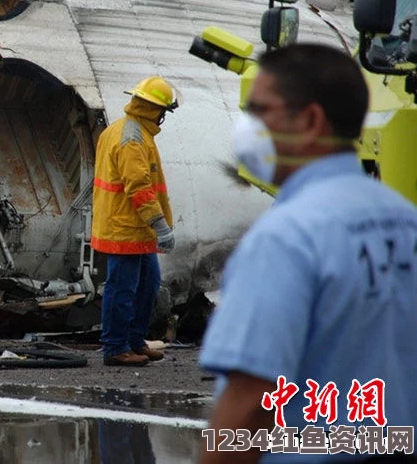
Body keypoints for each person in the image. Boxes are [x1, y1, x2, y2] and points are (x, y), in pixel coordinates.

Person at [199, 44, 417, 463]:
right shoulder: (404, 220)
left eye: (260, 110)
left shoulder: (286, 238)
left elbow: (249, 402)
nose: (248, 126)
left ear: (310, 121)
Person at [92, 75, 178, 367]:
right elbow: (138, 188)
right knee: (123, 289)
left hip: (135, 228)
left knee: (147, 284)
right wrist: (160, 225)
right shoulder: (132, 138)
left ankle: (134, 341)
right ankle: (115, 348)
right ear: (157, 110)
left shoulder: (131, 131)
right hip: (125, 228)